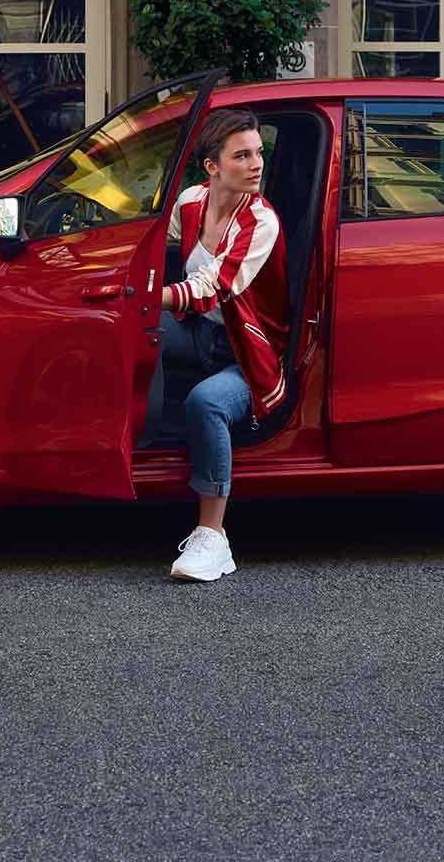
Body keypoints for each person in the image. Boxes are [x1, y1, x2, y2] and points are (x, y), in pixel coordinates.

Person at [152, 108, 288, 583]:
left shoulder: (260, 220)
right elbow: (148, 242)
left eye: (258, 153)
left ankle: (213, 537)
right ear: (212, 167)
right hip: (198, 333)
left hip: (247, 350)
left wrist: (151, 299)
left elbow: (213, 286)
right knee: (128, 330)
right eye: (242, 155)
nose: (256, 165)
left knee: (205, 402)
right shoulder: (192, 203)